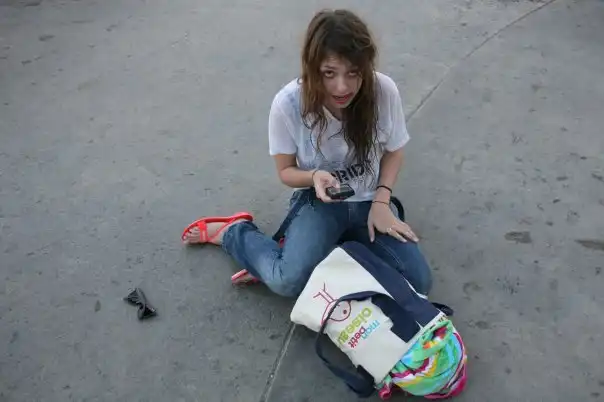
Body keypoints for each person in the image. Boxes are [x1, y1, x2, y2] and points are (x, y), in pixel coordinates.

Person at [181, 8, 433, 298]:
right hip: (319, 202)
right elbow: (285, 171)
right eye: (329, 73)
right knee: (287, 281)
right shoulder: (288, 104)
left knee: (419, 283)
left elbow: (394, 151)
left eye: (353, 72)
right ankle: (235, 234)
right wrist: (313, 176)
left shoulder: (383, 91)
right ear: (312, 69)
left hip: (369, 200)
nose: (342, 87)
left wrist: (382, 201)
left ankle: (324, 252)